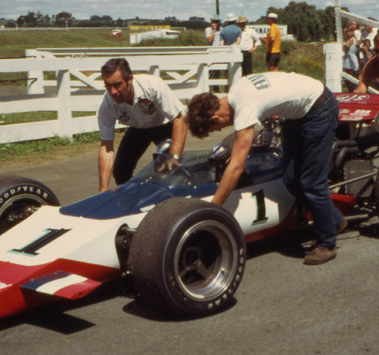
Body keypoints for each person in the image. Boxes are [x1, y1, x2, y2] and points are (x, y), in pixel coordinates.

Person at [186, 72, 345, 265]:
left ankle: (327, 243)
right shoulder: (236, 91)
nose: (220, 130)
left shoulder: (245, 106)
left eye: (216, 129)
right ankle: (334, 219)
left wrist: (212, 208)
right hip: (297, 115)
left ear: (215, 118)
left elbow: (237, 167)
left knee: (311, 182)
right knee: (290, 179)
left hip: (319, 109)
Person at [96, 58, 188, 192]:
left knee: (168, 169)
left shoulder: (153, 86)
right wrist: (103, 189)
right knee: (120, 172)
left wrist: (174, 158)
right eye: (108, 85)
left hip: (163, 126)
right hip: (138, 129)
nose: (113, 92)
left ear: (129, 79)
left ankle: (174, 198)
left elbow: (179, 119)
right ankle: (131, 201)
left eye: (117, 84)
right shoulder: (107, 104)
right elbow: (106, 147)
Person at [343, 22, 362, 91]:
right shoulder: (354, 39)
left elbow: (347, 48)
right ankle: (351, 88)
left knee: (349, 74)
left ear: (352, 32)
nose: (348, 33)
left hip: (350, 57)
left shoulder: (351, 39)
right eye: (347, 32)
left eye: (350, 31)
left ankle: (352, 88)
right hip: (349, 57)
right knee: (348, 74)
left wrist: (344, 45)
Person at [205, 15, 222, 92]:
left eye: (217, 22)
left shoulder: (222, 30)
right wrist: (214, 31)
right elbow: (209, 40)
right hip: (211, 54)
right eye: (214, 21)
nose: (215, 23)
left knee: (217, 73)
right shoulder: (208, 30)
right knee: (210, 73)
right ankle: (209, 89)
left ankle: (216, 90)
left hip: (219, 54)